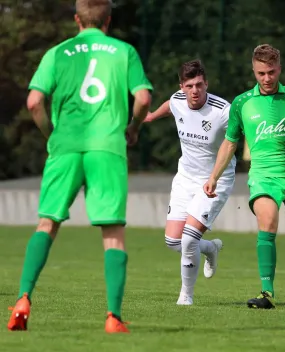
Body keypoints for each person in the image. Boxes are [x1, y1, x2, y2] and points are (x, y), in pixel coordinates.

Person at [6, 0, 153, 333]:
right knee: (112, 232)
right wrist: (134, 127)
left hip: (66, 146)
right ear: (108, 21)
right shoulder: (123, 51)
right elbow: (143, 98)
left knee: (47, 222)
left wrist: (51, 134)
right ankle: (113, 317)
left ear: (77, 19)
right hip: (107, 147)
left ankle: (23, 299)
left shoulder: (57, 53)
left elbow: (33, 102)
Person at [203, 44, 285, 309]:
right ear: (253, 70)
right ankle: (266, 292)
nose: (267, 78)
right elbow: (230, 143)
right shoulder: (242, 102)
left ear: (279, 69)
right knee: (268, 220)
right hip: (263, 176)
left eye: (271, 72)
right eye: (261, 73)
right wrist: (213, 176)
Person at [143, 60, 233, 306]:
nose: (195, 90)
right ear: (181, 87)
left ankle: (186, 296)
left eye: (200, 85)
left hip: (216, 179)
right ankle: (210, 249)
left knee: (189, 240)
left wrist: (214, 177)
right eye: (190, 85)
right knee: (173, 242)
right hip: (185, 178)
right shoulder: (177, 100)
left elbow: (234, 140)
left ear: (207, 84)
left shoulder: (223, 110)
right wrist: (150, 116)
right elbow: (170, 106)